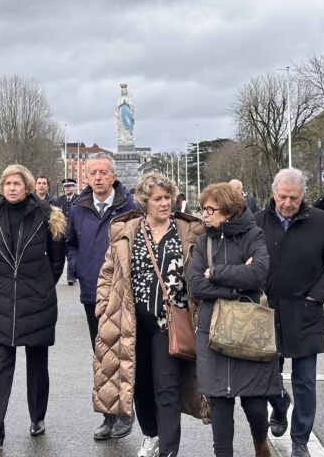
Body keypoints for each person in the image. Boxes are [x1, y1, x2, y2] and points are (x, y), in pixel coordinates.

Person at [93, 172, 205, 457]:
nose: (165, 203)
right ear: (145, 201)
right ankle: (151, 435)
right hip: (132, 323)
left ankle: (168, 450)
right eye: (158, 199)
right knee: (139, 386)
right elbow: (108, 272)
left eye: (168, 197)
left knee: (166, 389)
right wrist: (103, 305)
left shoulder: (186, 230)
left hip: (170, 324)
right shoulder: (127, 231)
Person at [255, 168, 324, 457]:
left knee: (305, 381)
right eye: (282, 197)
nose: (287, 203)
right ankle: (279, 406)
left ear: (303, 196)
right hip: (267, 312)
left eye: (294, 198)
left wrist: (317, 295)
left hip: (306, 311)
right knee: (267, 378)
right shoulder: (257, 222)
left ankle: (300, 442)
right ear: (273, 194)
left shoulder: (319, 222)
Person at [0, 164, 66, 447]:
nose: (11, 188)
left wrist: (40, 286)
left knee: (37, 362)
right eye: (7, 183)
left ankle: (37, 416)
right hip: (2, 300)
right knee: (2, 362)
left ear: (27, 187)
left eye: (17, 183)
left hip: (37, 299)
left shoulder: (47, 216)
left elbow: (56, 261)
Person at [189, 183, 281, 457]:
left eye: (210, 209)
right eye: (202, 208)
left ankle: (260, 441)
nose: (204, 214)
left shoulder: (254, 235)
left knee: (254, 403)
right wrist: (235, 286)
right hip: (212, 330)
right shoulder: (202, 241)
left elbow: (259, 274)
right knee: (220, 403)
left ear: (228, 211)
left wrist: (215, 272)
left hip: (248, 329)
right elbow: (196, 285)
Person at [67, 152, 137, 440]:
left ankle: (125, 413)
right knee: (100, 355)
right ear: (87, 177)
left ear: (113, 176)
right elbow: (71, 244)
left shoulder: (129, 207)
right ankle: (108, 416)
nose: (97, 178)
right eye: (92, 173)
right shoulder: (77, 208)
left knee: (123, 354)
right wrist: (78, 267)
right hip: (91, 293)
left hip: (121, 294)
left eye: (102, 173)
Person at [53, 178, 79, 285]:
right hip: (62, 231)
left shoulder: (79, 199)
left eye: (70, 186)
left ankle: (71, 277)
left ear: (74, 187)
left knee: (72, 255)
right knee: (59, 255)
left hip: (74, 231)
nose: (67, 188)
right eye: (66, 187)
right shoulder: (59, 200)